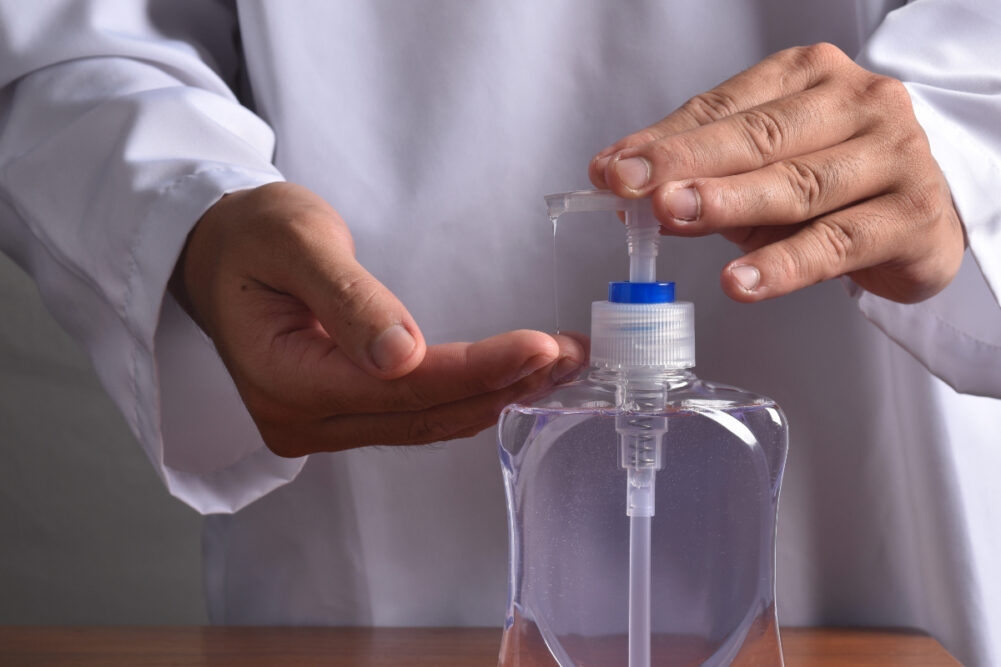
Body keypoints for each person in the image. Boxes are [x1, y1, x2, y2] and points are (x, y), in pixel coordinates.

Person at [1, 1, 998, 664]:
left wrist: (953, 153)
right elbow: (70, 36)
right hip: (364, 426)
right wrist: (192, 216)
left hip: (887, 497)